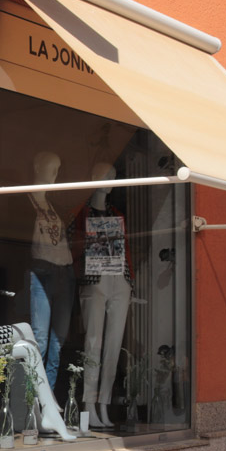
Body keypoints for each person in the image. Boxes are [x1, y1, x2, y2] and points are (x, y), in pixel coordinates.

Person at [74, 164, 132, 429]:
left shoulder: (116, 214)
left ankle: (104, 404)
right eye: (106, 175)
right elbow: (73, 246)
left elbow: (125, 248)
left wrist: (129, 280)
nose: (110, 180)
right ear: (93, 177)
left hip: (119, 278)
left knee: (113, 345)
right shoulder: (81, 212)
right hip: (93, 279)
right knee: (93, 343)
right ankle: (89, 404)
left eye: (113, 176)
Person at [27, 151, 74, 389]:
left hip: (64, 272)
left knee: (57, 341)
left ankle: (49, 396)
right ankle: (33, 398)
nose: (55, 174)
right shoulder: (24, 199)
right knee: (40, 338)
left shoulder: (54, 206)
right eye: (51, 167)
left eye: (58, 168)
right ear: (37, 167)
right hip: (42, 271)